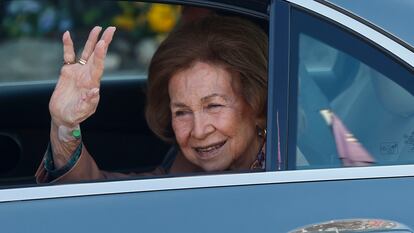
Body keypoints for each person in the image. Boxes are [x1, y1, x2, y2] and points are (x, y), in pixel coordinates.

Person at [35, 15, 268, 183]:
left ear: (257, 105)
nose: (198, 131)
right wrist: (65, 127)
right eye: (181, 112)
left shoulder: (293, 166)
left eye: (214, 105)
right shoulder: (187, 166)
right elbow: (104, 195)